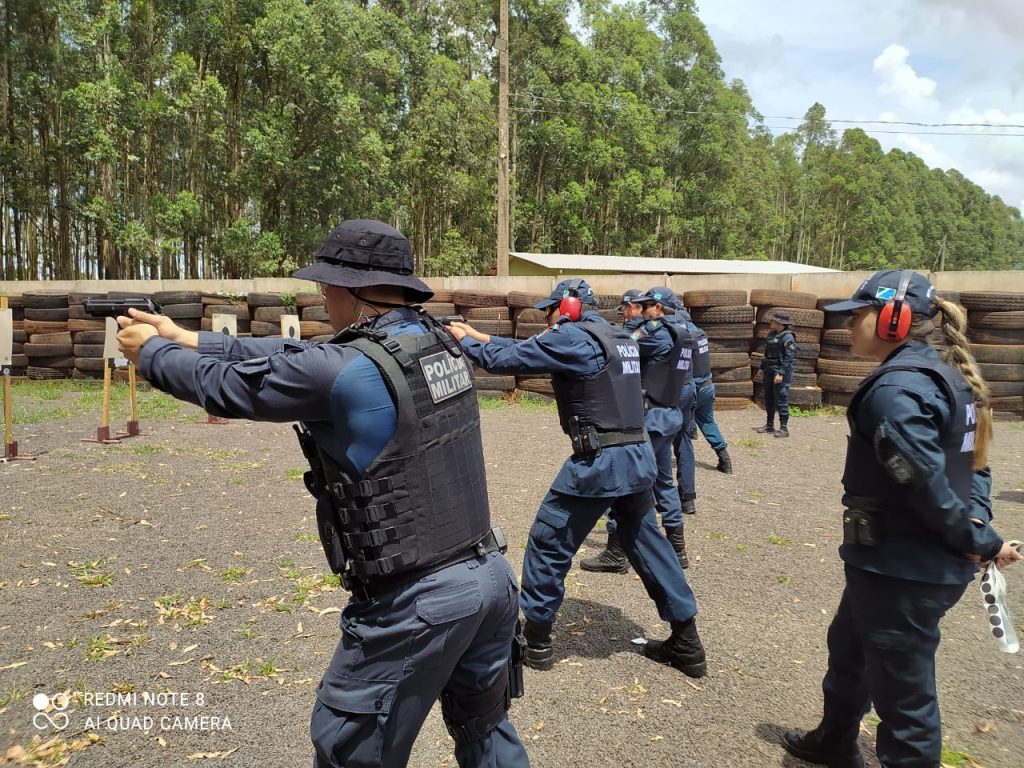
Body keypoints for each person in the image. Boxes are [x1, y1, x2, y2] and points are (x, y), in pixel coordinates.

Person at [116, 220, 530, 768]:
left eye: (325, 287)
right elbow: (297, 352)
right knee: (485, 735)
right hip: (488, 579)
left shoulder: (345, 369)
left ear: (350, 291)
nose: (322, 297)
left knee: (349, 752)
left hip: (417, 602)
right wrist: (188, 337)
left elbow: (230, 388)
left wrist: (150, 355)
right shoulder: (433, 342)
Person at [782, 270, 1023, 768]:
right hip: (895, 562)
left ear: (894, 320)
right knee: (850, 647)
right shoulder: (946, 377)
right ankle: (835, 741)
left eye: (857, 315)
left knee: (904, 700)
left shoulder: (898, 392)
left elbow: (925, 484)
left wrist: (980, 538)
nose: (848, 326)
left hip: (906, 567)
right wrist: (977, 527)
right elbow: (976, 468)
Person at [447, 279, 707, 678]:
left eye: (550, 311)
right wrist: (477, 334)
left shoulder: (573, 337)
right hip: (637, 457)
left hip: (601, 460)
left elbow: (507, 360)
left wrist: (466, 343)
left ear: (568, 306)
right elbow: (528, 348)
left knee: (549, 540)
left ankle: (535, 639)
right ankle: (687, 640)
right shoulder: (616, 334)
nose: (547, 319)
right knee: (647, 542)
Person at [582, 286, 692, 572]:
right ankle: (678, 550)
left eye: (644, 307)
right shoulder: (681, 330)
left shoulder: (654, 332)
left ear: (657, 308)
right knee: (664, 482)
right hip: (669, 413)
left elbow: (622, 345)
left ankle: (616, 553)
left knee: (623, 477)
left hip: (651, 416)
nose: (639, 312)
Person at [670, 305, 732, 474]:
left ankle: (685, 466)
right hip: (707, 385)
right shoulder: (700, 332)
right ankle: (724, 458)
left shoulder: (684, 336)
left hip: (693, 388)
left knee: (680, 429)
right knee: (708, 422)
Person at [757, 309, 796, 438]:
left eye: (772, 320)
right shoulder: (771, 335)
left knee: (781, 398)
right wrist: (761, 368)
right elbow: (766, 354)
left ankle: (784, 428)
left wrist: (781, 373)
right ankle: (769, 426)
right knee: (769, 398)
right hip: (769, 369)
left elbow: (789, 358)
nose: (770, 322)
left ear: (779, 322)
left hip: (780, 371)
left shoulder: (788, 336)